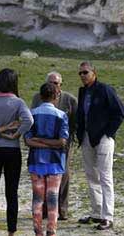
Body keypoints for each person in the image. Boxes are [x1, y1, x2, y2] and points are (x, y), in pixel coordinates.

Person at [0, 68, 33, 236]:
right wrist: (16, 134)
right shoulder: (18, 102)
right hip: (12, 150)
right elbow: (29, 120)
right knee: (12, 192)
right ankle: (11, 230)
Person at [76, 61, 124, 231]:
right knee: (91, 176)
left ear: (94, 72)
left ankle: (108, 216)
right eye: (80, 73)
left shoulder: (104, 89)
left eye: (85, 72)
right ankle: (97, 212)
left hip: (103, 138)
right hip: (87, 137)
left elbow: (120, 112)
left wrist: (108, 133)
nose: (83, 76)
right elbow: (82, 114)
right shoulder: (83, 91)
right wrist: (80, 134)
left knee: (105, 176)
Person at [31, 71, 77, 220]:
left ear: (61, 85)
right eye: (50, 83)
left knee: (63, 175)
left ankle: (62, 209)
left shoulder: (70, 99)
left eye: (56, 83)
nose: (53, 86)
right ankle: (44, 210)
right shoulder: (38, 98)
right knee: (41, 176)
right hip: (40, 146)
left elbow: (75, 121)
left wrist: (71, 139)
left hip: (62, 144)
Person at [25, 82, 69, 236]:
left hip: (36, 162)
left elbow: (28, 141)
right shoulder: (62, 115)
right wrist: (51, 143)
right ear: (56, 96)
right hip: (55, 163)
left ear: (41, 96)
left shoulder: (32, 114)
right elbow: (62, 142)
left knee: (37, 199)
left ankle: (38, 231)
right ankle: (51, 230)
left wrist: (39, 141)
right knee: (53, 199)